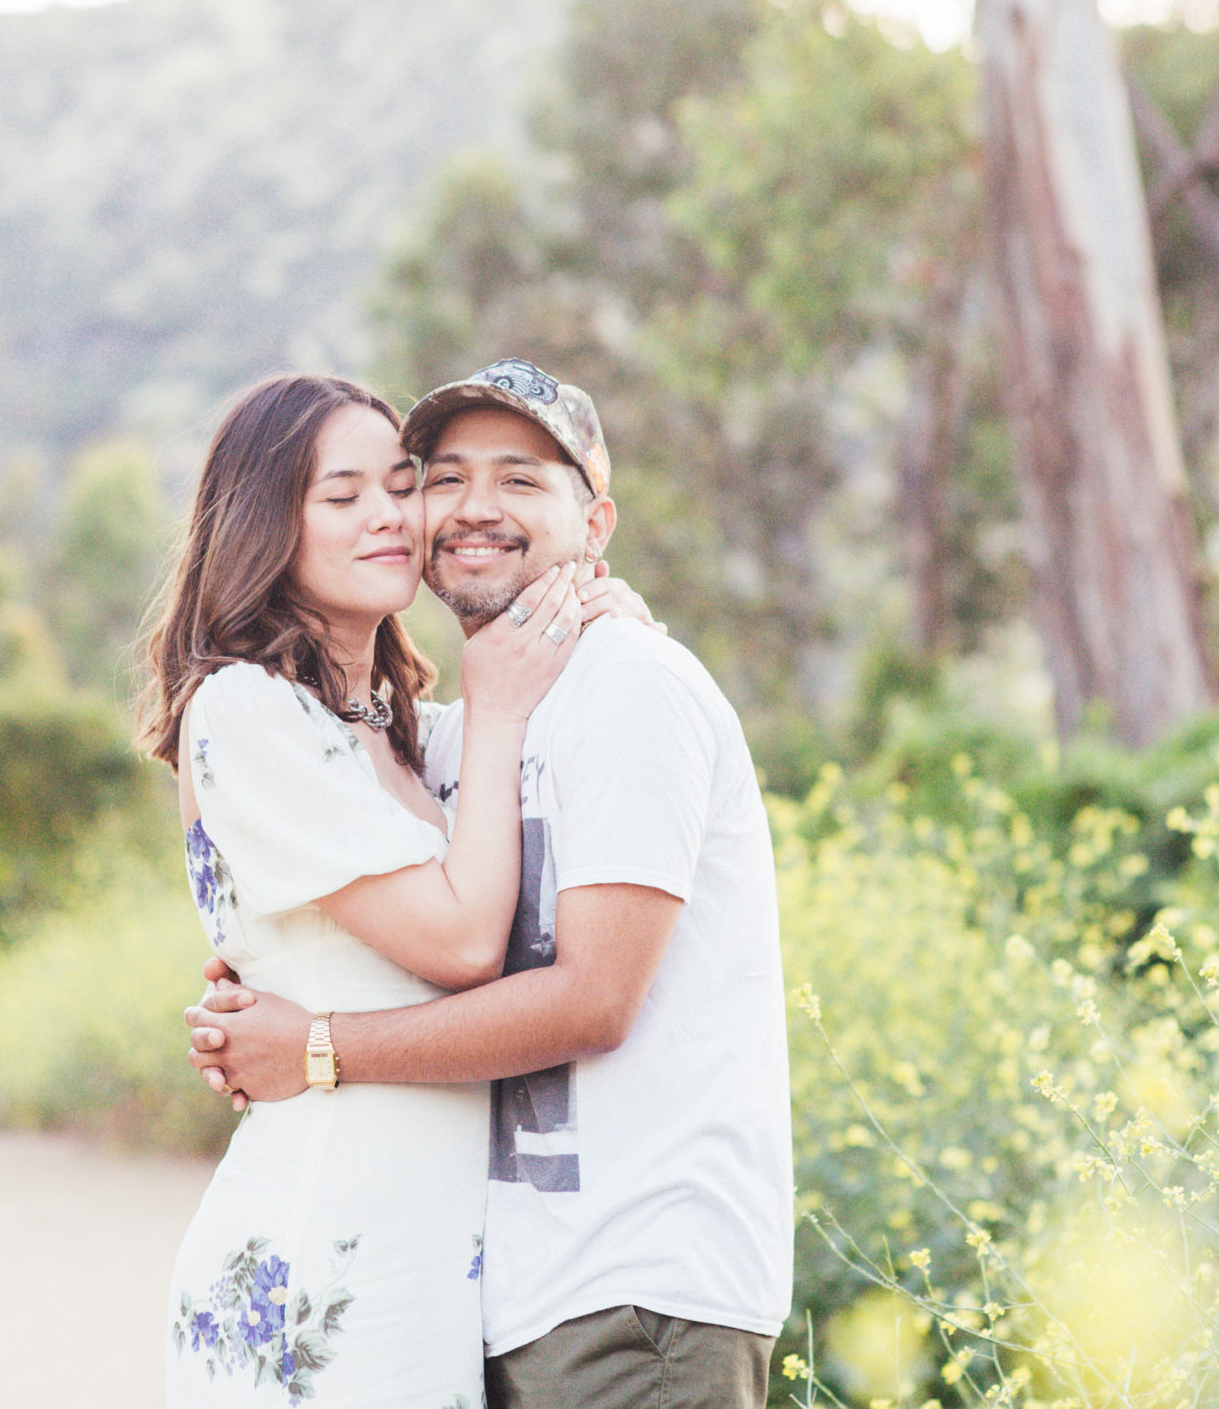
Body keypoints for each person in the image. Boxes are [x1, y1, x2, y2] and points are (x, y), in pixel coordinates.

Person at [187, 359, 794, 1409]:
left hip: (636, 1284)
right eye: (441, 477)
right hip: (483, 1285)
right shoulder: (439, 743)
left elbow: (587, 998)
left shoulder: (626, 687)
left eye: (521, 480)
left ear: (594, 523)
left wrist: (315, 1043)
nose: (458, 510)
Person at [138, 371, 646, 1407]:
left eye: (401, 484)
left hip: (427, 1258)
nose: (390, 515)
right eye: (342, 495)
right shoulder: (244, 711)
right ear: (265, 526)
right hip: (324, 1247)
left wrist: (603, 616)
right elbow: (462, 944)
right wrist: (500, 704)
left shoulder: (402, 733)